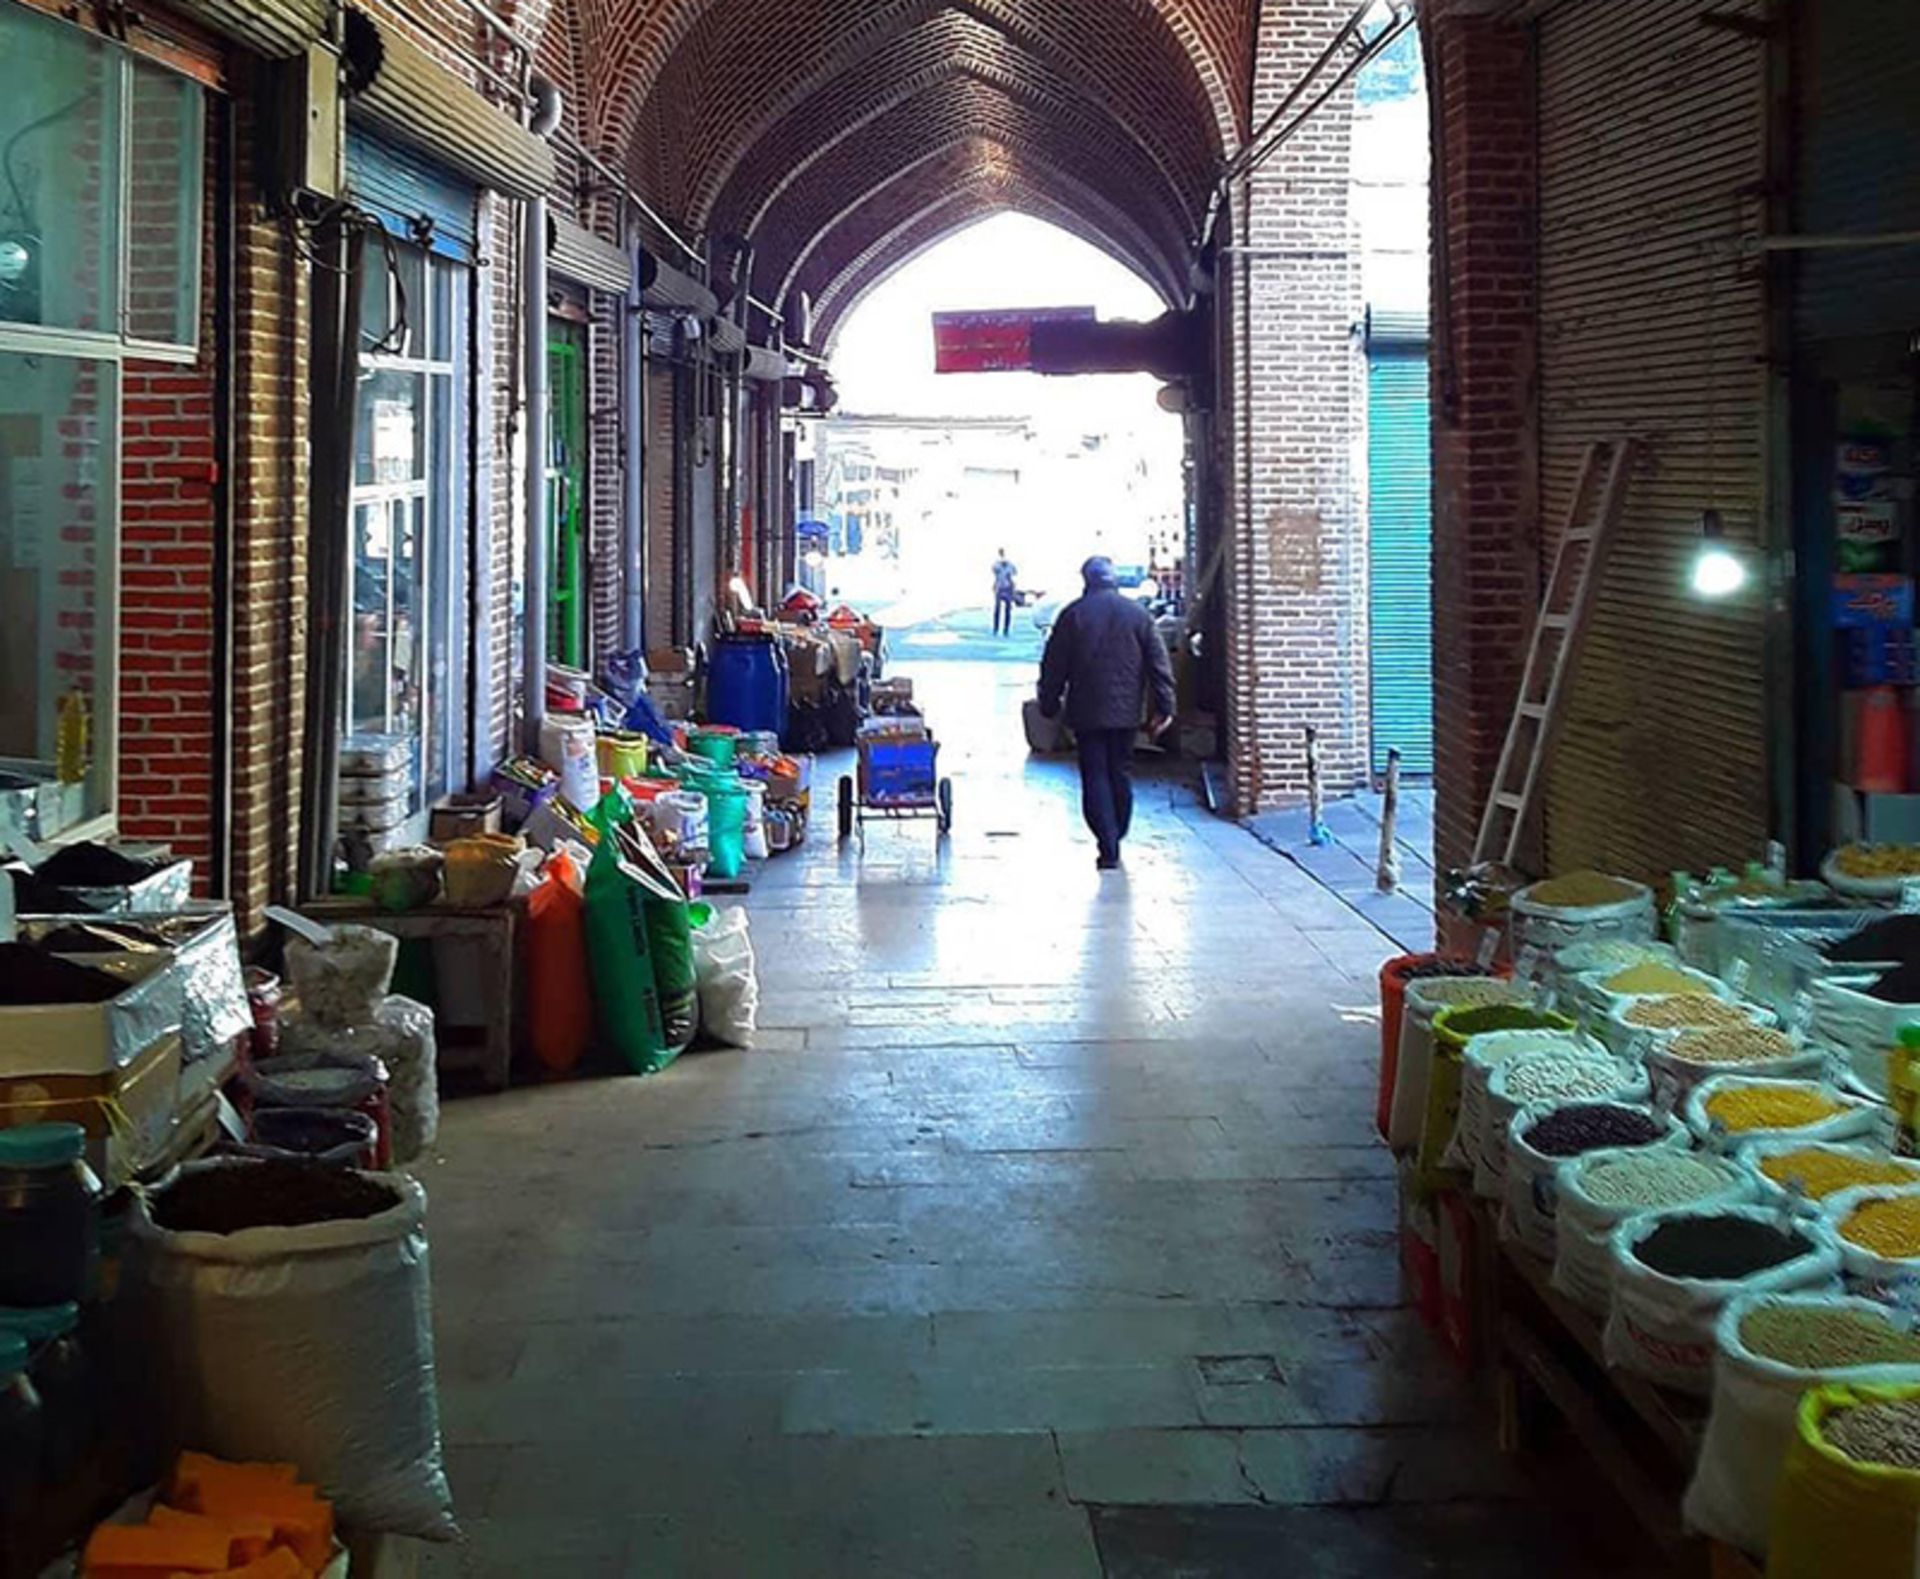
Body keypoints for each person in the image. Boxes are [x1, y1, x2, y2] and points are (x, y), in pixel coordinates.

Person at [1037, 556, 1176, 870]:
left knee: (1095, 774)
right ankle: (1118, 830)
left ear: (1086, 579)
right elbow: (1159, 666)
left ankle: (1108, 843)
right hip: (1126, 714)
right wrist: (1166, 707)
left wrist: (1049, 701)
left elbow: (1053, 666)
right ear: (1113, 579)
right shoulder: (1138, 616)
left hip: (1086, 713)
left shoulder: (1072, 616)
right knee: (1120, 771)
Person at [990, 548, 1019, 637]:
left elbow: (1015, 572)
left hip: (1007, 588)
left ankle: (1005, 630)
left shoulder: (1010, 565)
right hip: (999, 588)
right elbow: (994, 571)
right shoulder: (996, 564)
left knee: (1007, 611)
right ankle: (996, 629)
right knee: (997, 610)